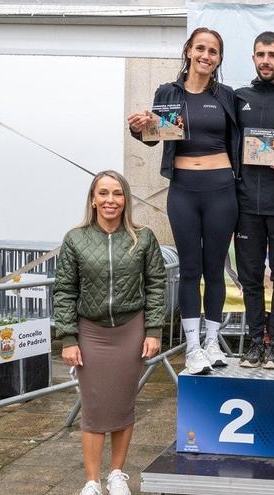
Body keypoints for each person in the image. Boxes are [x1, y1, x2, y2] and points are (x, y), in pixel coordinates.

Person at [127, 27, 239, 375]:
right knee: (190, 268)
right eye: (201, 48)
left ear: (219, 59)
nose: (207, 56)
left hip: (222, 187)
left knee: (215, 267)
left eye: (214, 52)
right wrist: (138, 127)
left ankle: (211, 343)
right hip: (184, 189)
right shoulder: (168, 92)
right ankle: (192, 348)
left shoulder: (226, 96)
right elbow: (153, 136)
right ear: (189, 50)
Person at [55, 170, 166, 495]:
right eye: (103, 193)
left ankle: (117, 474)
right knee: (93, 407)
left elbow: (156, 284)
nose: (110, 200)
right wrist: (68, 338)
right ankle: (91, 480)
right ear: (93, 198)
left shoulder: (143, 238)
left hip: (131, 331)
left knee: (122, 404)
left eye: (117, 194)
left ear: (125, 199)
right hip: (91, 333)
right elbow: (64, 290)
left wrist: (153, 330)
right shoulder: (75, 239)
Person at [235, 32, 274, 370]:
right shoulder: (238, 97)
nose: (266, 60)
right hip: (245, 204)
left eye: (272, 55)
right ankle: (255, 342)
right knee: (250, 277)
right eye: (260, 54)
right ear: (253, 57)